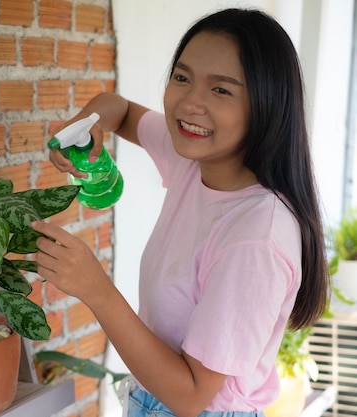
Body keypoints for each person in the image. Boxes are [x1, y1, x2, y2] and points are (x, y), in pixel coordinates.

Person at [31, 8, 329, 417]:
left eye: (221, 90)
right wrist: (83, 127)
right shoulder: (195, 159)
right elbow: (118, 108)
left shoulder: (255, 236)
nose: (190, 103)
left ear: (267, 105)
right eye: (182, 77)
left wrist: (95, 288)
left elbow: (191, 397)